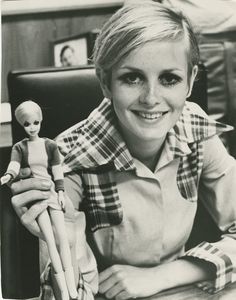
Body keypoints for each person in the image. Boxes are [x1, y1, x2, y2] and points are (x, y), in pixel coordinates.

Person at [9, 2, 236, 300]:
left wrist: (168, 273)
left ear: (191, 80)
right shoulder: (67, 158)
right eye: (132, 78)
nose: (151, 98)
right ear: (105, 82)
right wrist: (55, 233)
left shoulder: (196, 128)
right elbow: (68, 292)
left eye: (169, 78)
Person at [0, 101, 78, 300]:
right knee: (51, 241)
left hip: (51, 192)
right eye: (27, 124)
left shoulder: (50, 145)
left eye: (36, 122)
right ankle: (64, 290)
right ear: (21, 125)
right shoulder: (20, 147)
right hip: (37, 198)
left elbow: (57, 171)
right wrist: (8, 175)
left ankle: (72, 289)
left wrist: (61, 192)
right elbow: (14, 165)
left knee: (62, 238)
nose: (32, 127)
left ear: (41, 121)